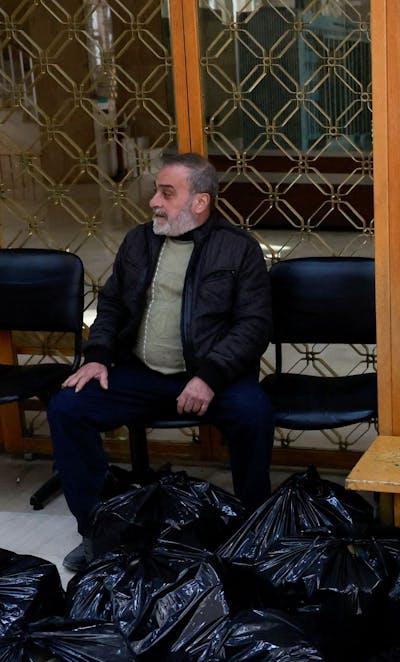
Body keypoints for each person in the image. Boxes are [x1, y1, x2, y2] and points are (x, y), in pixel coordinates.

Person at [49, 152, 275, 571]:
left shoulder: (238, 249)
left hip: (212, 376)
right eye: (156, 191)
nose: (154, 201)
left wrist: (210, 376)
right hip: (143, 375)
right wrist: (97, 357)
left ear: (200, 201)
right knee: (68, 406)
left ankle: (250, 527)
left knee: (254, 412)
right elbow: (112, 305)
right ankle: (96, 528)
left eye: (166, 193)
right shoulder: (139, 240)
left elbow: (253, 325)